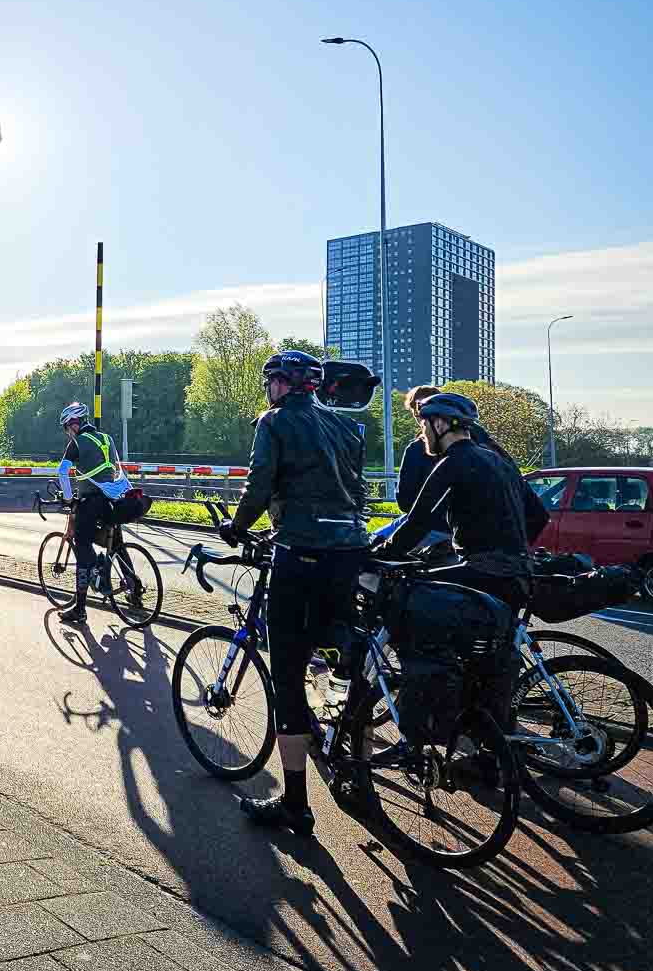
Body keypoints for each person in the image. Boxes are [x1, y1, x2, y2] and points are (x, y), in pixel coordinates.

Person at [219, 350, 369, 835]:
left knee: (287, 671)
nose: (268, 391)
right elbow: (357, 491)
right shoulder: (346, 427)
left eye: (270, 382)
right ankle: (358, 768)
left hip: (301, 551)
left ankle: (296, 803)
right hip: (349, 548)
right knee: (340, 646)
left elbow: (259, 485)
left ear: (282, 384)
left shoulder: (275, 421)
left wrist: (237, 529)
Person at [377, 392, 549, 609]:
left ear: (439, 425)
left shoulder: (452, 462)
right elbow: (539, 515)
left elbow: (418, 521)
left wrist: (381, 552)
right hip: (520, 571)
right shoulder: (496, 459)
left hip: (485, 572)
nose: (424, 434)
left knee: (407, 593)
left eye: (424, 427)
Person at [56, 402, 134, 625]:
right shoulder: (107, 438)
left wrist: (69, 499)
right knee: (117, 544)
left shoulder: (77, 443)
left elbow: (63, 472)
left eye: (66, 428)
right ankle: (135, 589)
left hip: (92, 502)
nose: (67, 433)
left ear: (74, 424)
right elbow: (116, 468)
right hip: (114, 501)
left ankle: (80, 609)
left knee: (81, 545)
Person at [396, 385, 506, 533]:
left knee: (375, 544)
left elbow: (412, 509)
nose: (421, 422)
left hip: (442, 530)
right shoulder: (493, 454)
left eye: (422, 417)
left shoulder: (442, 457)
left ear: (438, 423)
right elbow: (535, 513)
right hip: (490, 535)